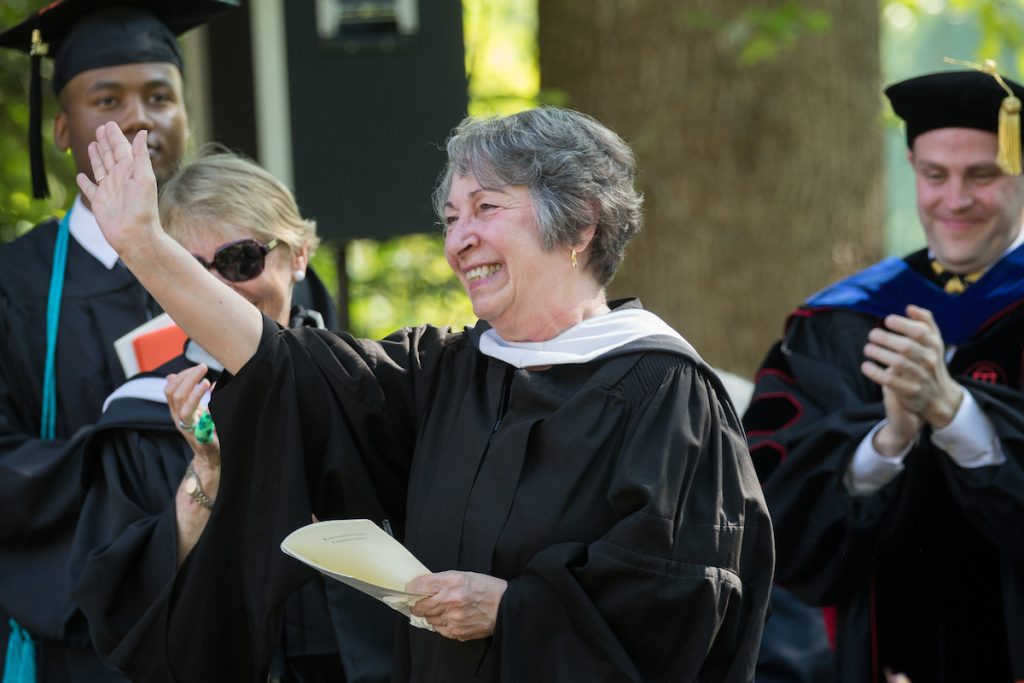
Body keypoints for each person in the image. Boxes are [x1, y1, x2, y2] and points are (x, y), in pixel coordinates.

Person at [80, 107, 774, 681]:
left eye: (486, 208)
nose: (459, 240)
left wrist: (512, 608)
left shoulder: (664, 395)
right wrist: (145, 245)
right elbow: (288, 365)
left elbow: (680, 605)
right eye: (450, 218)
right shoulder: (447, 373)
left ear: (581, 225)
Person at [66, 149, 393, 683]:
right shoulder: (141, 411)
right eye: (189, 268)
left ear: (300, 255)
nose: (218, 286)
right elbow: (122, 601)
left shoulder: (370, 385)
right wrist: (207, 478)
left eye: (242, 259)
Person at [744, 67, 1024, 682]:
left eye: (983, 174)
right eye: (934, 175)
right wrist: (886, 442)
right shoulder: (841, 321)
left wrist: (955, 414)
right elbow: (771, 517)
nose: (955, 199)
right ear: (912, 169)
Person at [0, 1, 234, 680]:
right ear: (62, 129)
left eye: (160, 96)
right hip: (88, 636)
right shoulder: (16, 282)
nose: (139, 117)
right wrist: (147, 483)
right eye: (109, 98)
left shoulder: (248, 264)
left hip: (237, 618)